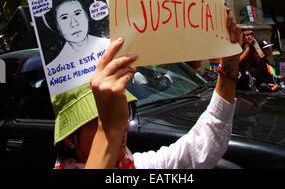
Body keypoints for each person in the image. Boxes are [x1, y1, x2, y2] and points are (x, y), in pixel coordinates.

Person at [54, 10, 242, 169]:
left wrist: (230, 63)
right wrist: (109, 131)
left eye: (121, 114)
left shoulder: (135, 165)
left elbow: (201, 147)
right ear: (70, 139)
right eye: (102, 118)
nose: (124, 125)